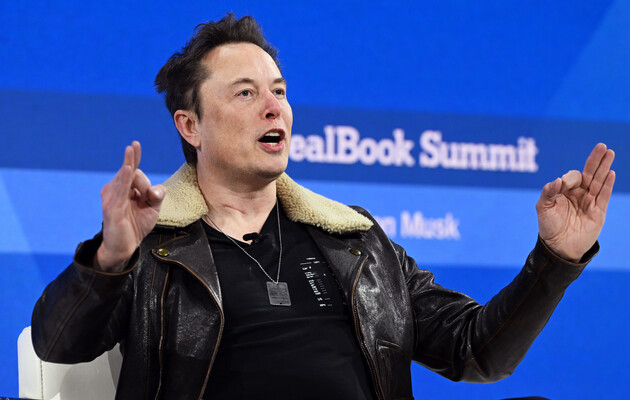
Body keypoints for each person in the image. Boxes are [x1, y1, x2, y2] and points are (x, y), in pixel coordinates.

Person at [31, 14, 616, 400]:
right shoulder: (154, 248)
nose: (274, 107)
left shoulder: (356, 241)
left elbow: (477, 351)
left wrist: (555, 259)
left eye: (279, 91)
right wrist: (110, 259)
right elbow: (57, 347)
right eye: (246, 93)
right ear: (190, 126)